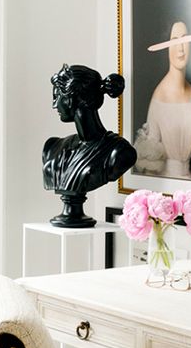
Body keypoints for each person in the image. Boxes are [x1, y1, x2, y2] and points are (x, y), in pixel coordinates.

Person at [42, 64, 137, 227]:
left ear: (74, 98)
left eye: (57, 96)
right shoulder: (53, 147)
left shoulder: (118, 152)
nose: (54, 105)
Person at [134, 21, 191, 181]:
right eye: (175, 41)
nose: (181, 49)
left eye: (185, 40)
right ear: (167, 47)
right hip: (165, 191)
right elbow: (150, 170)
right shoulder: (160, 96)